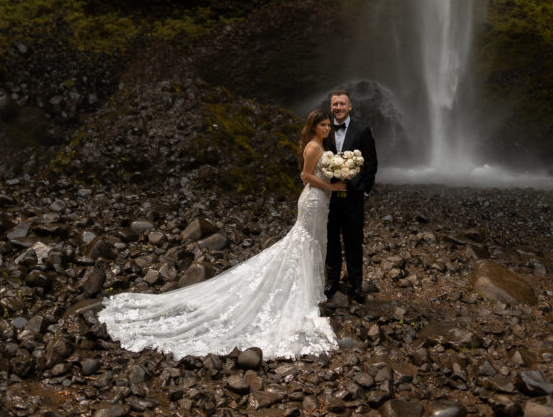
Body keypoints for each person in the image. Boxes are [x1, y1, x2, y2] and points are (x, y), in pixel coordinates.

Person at [99, 110, 346, 360]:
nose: (327, 128)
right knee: (305, 243)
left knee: (312, 243)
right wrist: (332, 186)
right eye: (322, 124)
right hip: (314, 201)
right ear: (313, 126)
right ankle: (300, 295)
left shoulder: (320, 145)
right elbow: (305, 176)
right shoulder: (314, 148)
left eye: (328, 125)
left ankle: (307, 291)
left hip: (320, 202)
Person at [323, 90, 377, 303]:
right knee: (331, 240)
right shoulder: (325, 130)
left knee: (354, 241)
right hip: (329, 196)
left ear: (350, 106)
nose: (338, 107)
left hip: (354, 196)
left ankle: (356, 284)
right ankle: (332, 280)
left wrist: (364, 189)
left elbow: (371, 162)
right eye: (335, 104)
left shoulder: (362, 130)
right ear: (331, 107)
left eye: (342, 104)